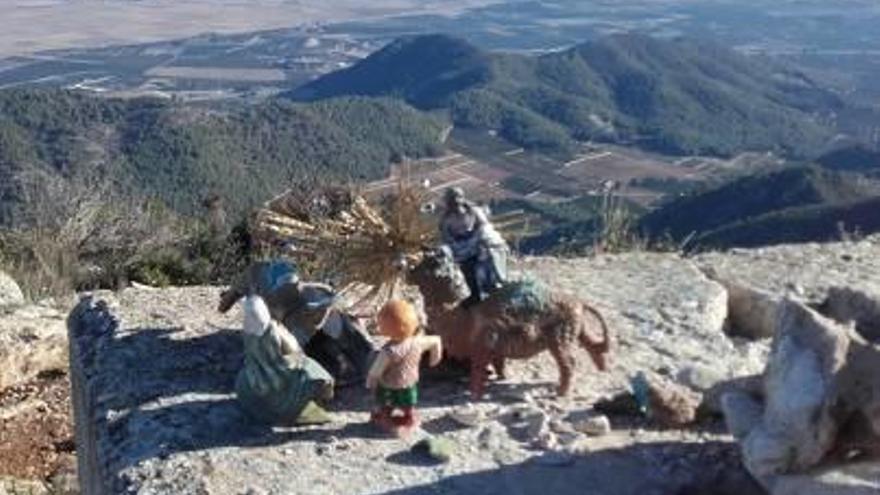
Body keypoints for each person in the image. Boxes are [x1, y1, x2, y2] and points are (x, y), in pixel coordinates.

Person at [219, 260, 375, 384]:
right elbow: (226, 304)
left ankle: (356, 362)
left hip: (295, 317)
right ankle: (347, 366)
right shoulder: (258, 278)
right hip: (292, 322)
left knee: (333, 324)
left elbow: (224, 305)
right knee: (313, 338)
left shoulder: (256, 274)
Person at [235, 295, 335, 425]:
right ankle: (317, 402)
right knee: (313, 369)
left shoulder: (242, 381)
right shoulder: (272, 330)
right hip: (284, 399)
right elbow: (294, 350)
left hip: (256, 399)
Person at [366, 299, 442, 436]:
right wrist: (435, 358)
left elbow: (376, 371)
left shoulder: (389, 351)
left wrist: (371, 381)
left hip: (389, 383)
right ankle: (410, 417)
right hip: (409, 382)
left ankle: (386, 418)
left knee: (385, 402)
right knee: (408, 403)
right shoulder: (417, 342)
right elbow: (435, 340)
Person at [439, 187, 509, 307]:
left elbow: (484, 226)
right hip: (463, 248)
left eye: (456, 199)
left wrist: (476, 237)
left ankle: (497, 284)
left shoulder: (474, 211)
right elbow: (447, 238)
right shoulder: (446, 220)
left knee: (491, 254)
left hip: (479, 241)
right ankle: (476, 294)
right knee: (467, 266)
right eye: (451, 201)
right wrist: (459, 243)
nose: (455, 204)